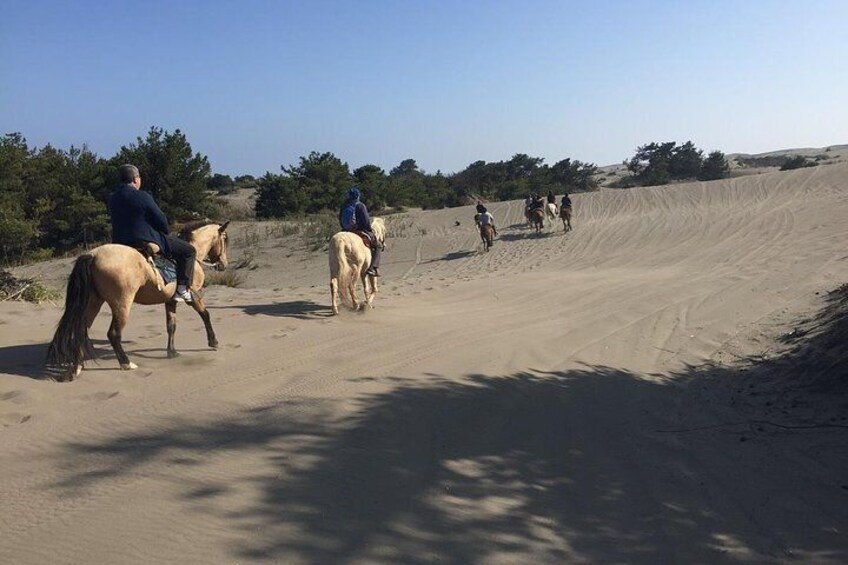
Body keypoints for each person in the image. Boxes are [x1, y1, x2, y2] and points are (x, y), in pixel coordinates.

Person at [108, 164, 196, 302]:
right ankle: (182, 289)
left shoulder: (112, 198)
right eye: (139, 178)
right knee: (189, 251)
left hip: (119, 242)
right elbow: (160, 218)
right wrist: (164, 232)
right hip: (143, 239)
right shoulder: (142, 195)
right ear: (135, 179)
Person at [339, 186, 381, 276]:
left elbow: (340, 219)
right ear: (358, 196)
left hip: (345, 231)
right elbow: (366, 220)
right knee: (378, 246)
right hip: (358, 230)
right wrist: (369, 231)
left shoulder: (344, 206)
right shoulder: (360, 205)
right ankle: (372, 268)